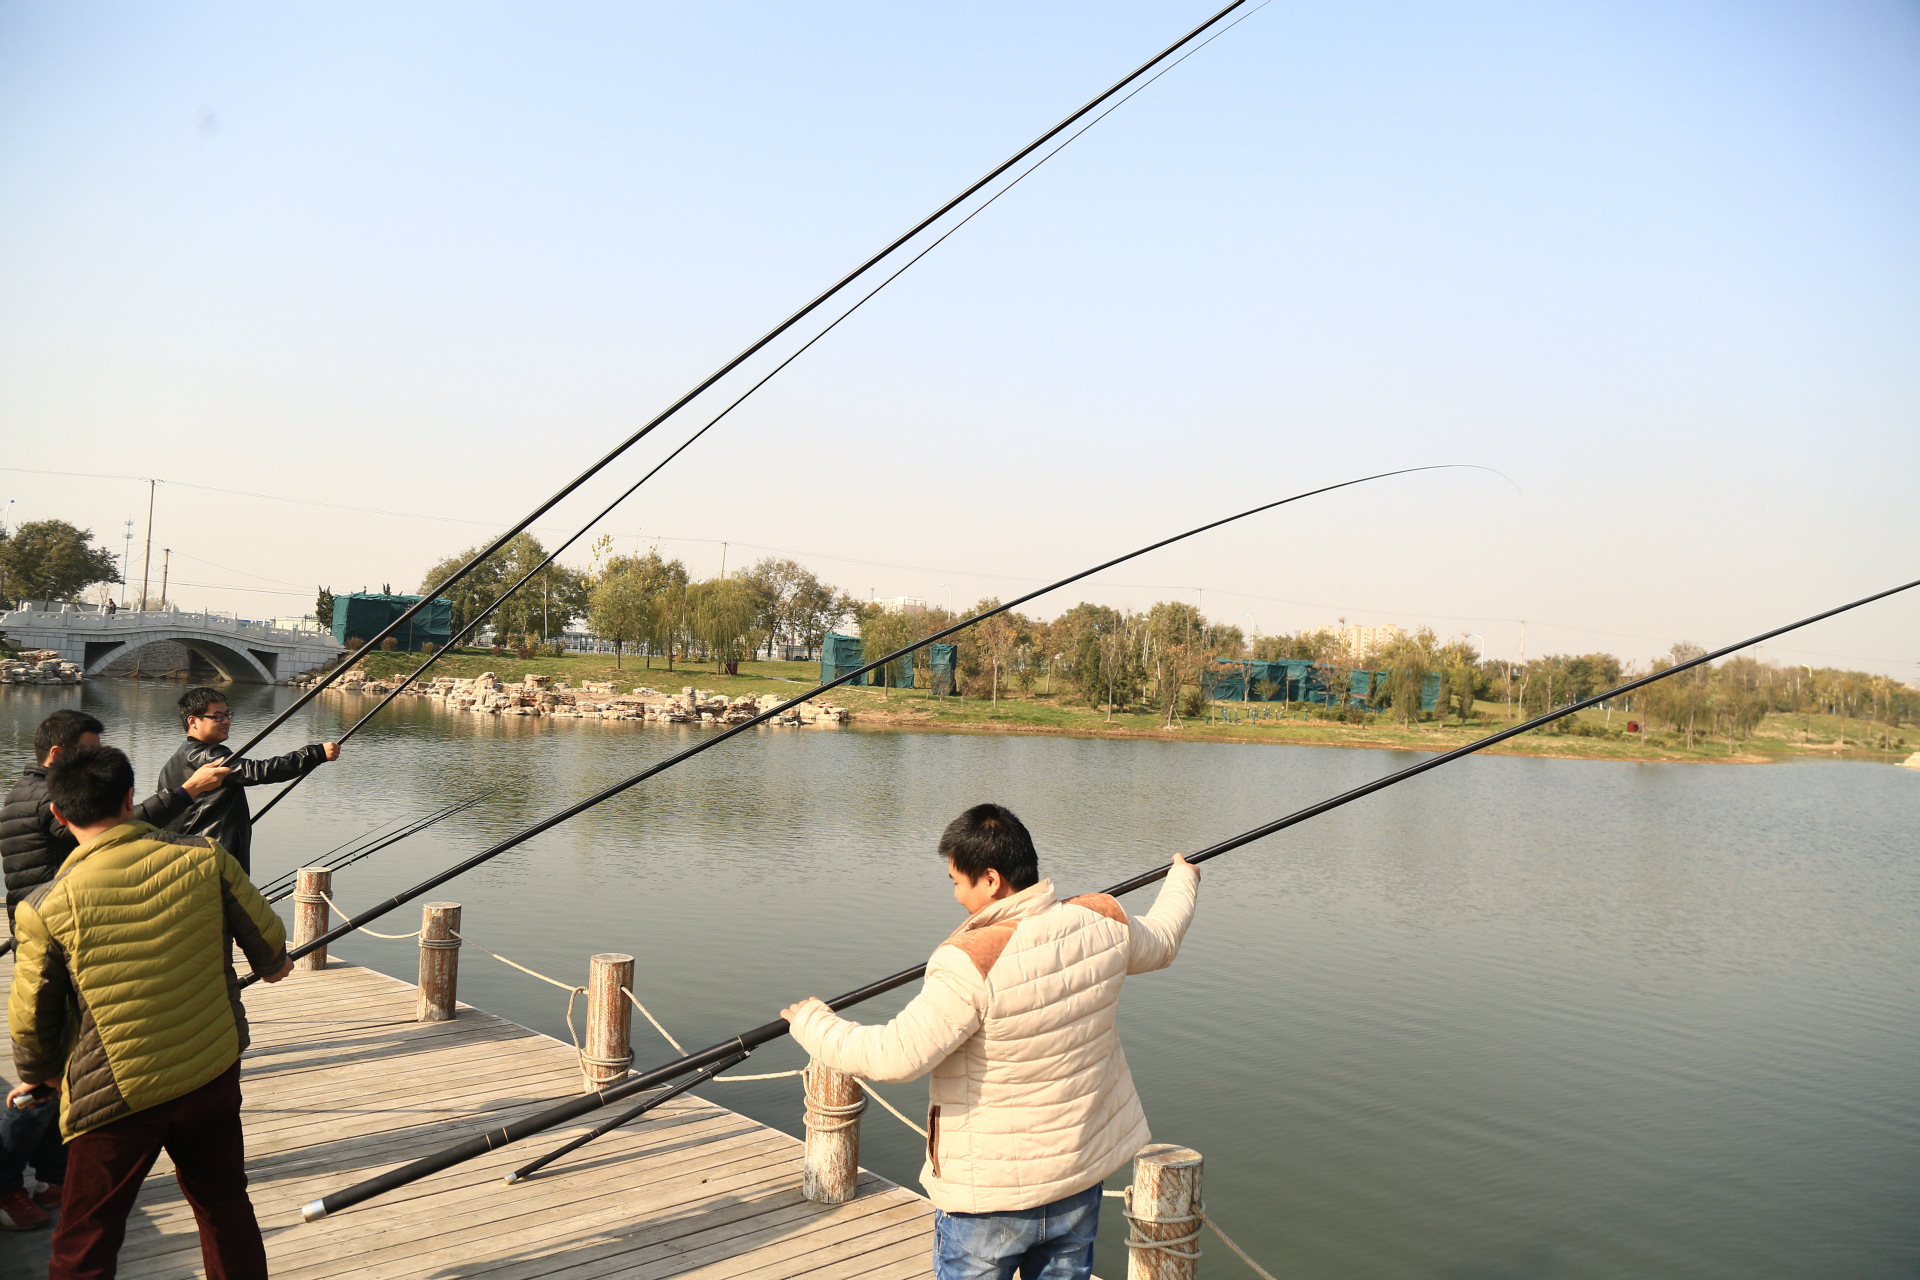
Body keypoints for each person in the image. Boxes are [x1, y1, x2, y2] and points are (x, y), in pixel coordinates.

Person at [779, 804, 1200, 1280]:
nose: (956, 895)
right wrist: (1183, 877)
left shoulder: (969, 960)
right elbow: (1164, 938)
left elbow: (895, 1056)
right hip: (1076, 1184)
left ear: (992, 880)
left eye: (958, 882)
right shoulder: (1103, 921)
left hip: (988, 1202)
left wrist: (813, 1024)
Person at [8, 744, 292, 1278]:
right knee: (224, 1206)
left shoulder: (43, 907)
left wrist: (41, 1079)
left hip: (112, 1094)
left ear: (60, 815)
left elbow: (31, 1023)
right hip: (208, 1071)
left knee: (84, 1243)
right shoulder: (206, 859)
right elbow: (274, 959)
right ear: (131, 796)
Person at [2, 710, 232, 929]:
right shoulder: (49, 798)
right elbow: (115, 827)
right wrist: (187, 790)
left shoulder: (24, 789)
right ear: (58, 755)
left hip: (40, 918)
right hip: (57, 922)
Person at [156, 687, 340, 875]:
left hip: (186, 864)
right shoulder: (208, 755)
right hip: (215, 861)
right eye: (217, 716)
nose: (226, 721)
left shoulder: (170, 766)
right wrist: (314, 754)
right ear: (193, 721)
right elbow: (258, 771)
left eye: (227, 714)